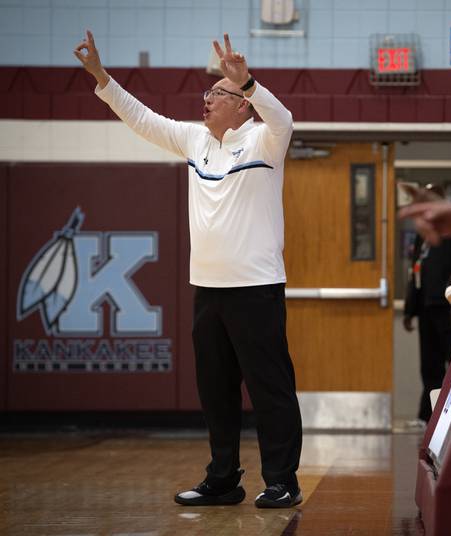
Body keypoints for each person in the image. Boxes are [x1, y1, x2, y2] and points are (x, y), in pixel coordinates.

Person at [73, 31, 303, 508]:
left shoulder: (265, 139)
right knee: (216, 393)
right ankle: (223, 479)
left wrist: (250, 81)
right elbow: (140, 117)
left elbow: (284, 117)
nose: (207, 100)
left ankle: (282, 480)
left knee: (270, 390)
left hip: (257, 289)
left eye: (217, 94)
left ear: (241, 104)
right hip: (208, 291)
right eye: (208, 93)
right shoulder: (194, 139)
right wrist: (100, 76)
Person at [403, 184, 451, 423]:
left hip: (447, 305)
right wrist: (409, 310)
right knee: (429, 364)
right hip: (426, 306)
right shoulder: (423, 235)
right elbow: (415, 273)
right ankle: (427, 414)